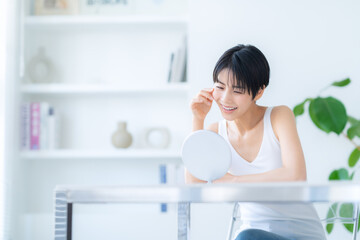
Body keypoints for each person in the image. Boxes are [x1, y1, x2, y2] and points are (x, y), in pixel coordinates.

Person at [186, 44, 326, 240]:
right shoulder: (216, 133)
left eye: (237, 90)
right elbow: (193, 182)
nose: (225, 99)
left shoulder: (278, 116)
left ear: (259, 92)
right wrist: (197, 119)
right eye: (219, 87)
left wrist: (235, 182)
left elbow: (296, 175)